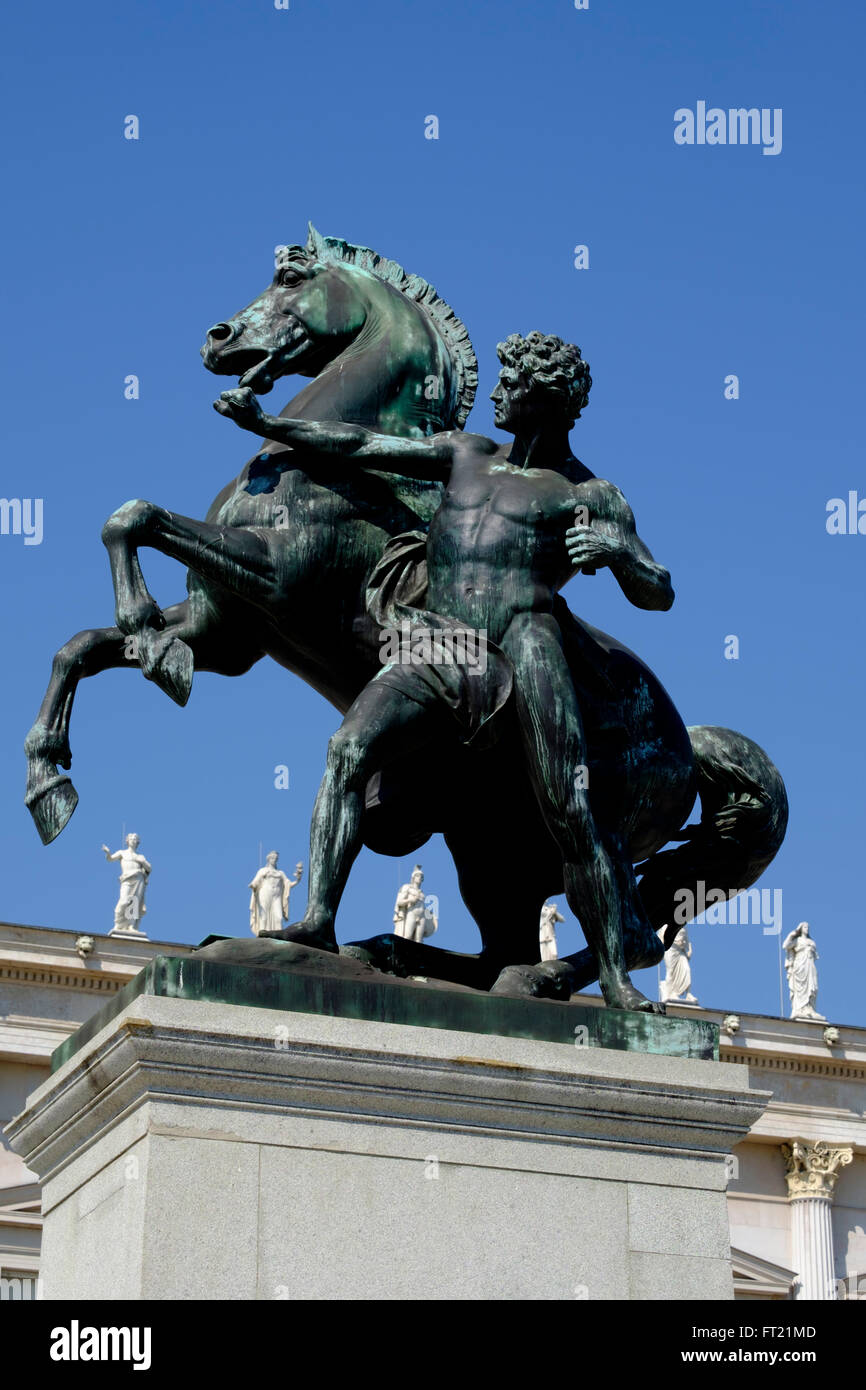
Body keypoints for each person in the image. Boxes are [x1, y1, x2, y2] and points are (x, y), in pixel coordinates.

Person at [216, 331, 673, 1010]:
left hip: (527, 640)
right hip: (444, 642)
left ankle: (615, 977)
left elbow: (657, 590)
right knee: (348, 749)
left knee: (572, 808)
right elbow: (362, 447)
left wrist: (620, 552)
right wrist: (271, 424)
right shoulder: (468, 453)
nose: (496, 393)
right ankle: (316, 922)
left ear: (541, 401)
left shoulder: (591, 493)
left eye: (510, 384)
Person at [102, 832, 151, 932]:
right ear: (127, 841)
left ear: (137, 842)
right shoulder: (122, 853)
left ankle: (131, 926)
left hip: (138, 880)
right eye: (131, 839)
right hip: (127, 879)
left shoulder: (140, 856)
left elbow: (149, 868)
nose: (133, 840)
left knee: (134, 902)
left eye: (135, 839)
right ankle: (118, 923)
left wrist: (142, 861)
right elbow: (110, 859)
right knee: (124, 901)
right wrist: (107, 853)